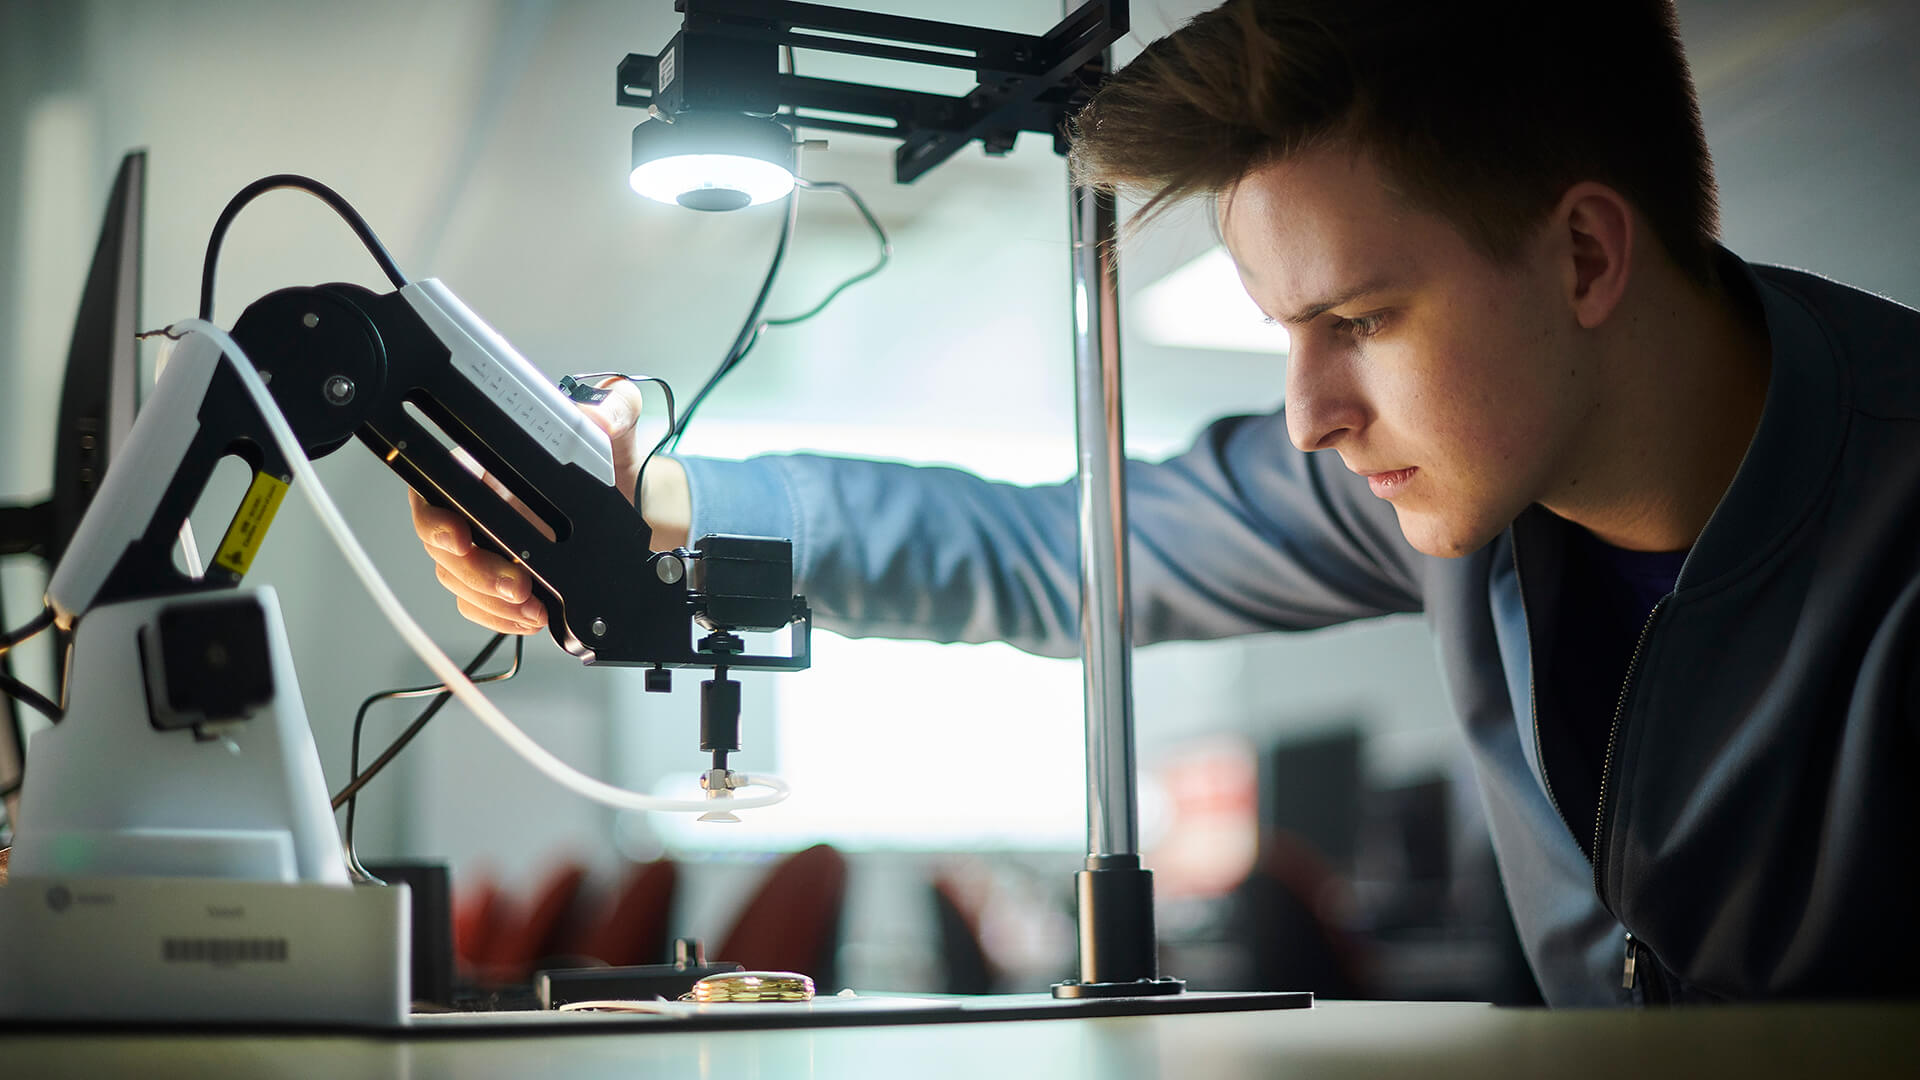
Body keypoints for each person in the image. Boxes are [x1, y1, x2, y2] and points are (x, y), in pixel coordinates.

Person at [410, 0, 1920, 1005]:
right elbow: (1051, 552)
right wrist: (649, 495)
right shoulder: (1435, 496)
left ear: (1587, 258)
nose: (1310, 415)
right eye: (1286, 333)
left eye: (1367, 319)